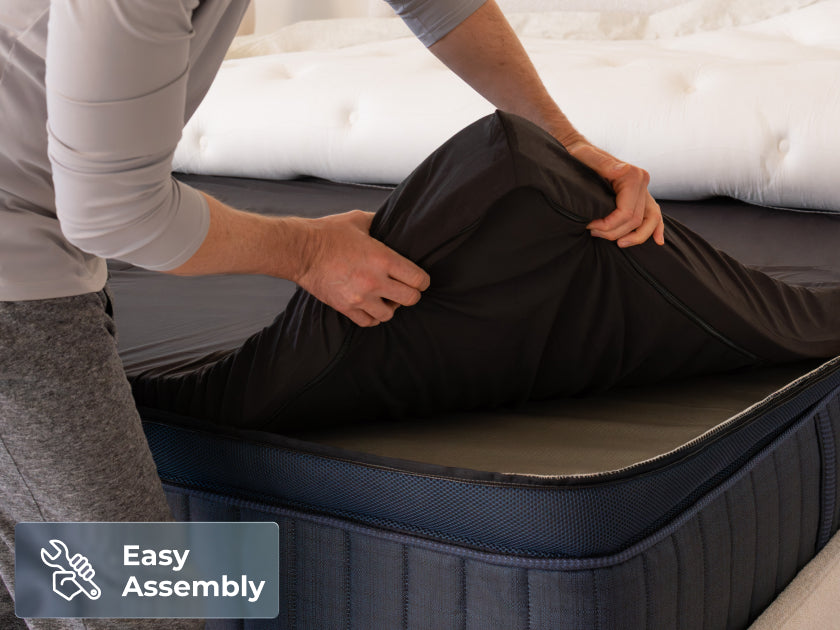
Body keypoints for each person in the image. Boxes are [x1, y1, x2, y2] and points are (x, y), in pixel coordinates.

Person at [0, 1, 663, 628]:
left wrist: (565, 142)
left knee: (36, 572)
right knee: (141, 605)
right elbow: (113, 214)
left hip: (43, 243)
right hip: (20, 272)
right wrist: (306, 250)